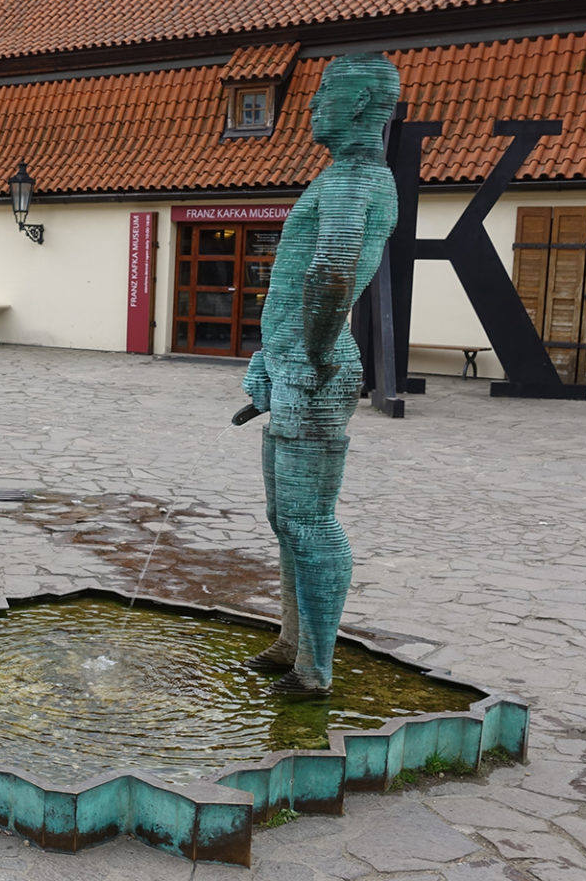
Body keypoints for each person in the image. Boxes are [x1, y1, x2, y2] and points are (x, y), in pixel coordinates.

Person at [238, 53, 400, 694]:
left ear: (359, 105)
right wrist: (269, 357)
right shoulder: (340, 177)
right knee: (285, 518)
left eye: (324, 92)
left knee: (309, 521)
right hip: (298, 363)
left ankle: (316, 669)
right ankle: (291, 642)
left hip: (315, 370)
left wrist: (309, 355)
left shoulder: (358, 181)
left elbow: (331, 272)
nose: (310, 105)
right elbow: (305, 283)